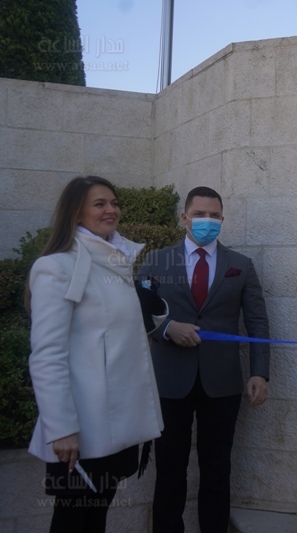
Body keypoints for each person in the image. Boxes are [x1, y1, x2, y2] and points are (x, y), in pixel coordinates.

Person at [27, 176, 165, 532]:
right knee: (72, 520)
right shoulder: (57, 267)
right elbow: (47, 355)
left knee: (96, 518)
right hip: (80, 427)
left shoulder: (116, 263)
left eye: (114, 203)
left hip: (117, 424)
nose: (111, 210)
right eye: (99, 204)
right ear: (76, 212)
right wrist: (61, 429)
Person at [138, 186, 270, 533]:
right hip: (170, 382)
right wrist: (168, 328)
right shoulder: (157, 261)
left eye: (214, 216)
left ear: (222, 219)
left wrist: (260, 372)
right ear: (185, 217)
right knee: (170, 470)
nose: (206, 221)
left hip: (222, 383)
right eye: (199, 215)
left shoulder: (240, 265)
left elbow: (257, 322)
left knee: (217, 469)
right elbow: (137, 312)